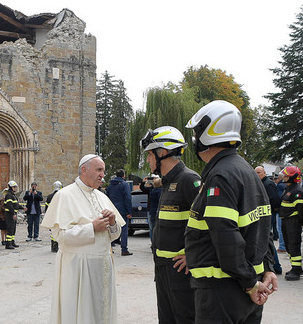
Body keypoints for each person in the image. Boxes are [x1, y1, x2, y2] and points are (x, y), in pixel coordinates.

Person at [184, 100, 277, 322]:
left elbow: (225, 235)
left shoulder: (220, 176)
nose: (195, 140)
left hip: (222, 290)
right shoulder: (245, 170)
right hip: (246, 284)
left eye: (197, 134)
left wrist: (249, 284)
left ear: (206, 134)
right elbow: (264, 226)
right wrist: (267, 269)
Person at [40, 154, 125, 324]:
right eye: (99, 170)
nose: (103, 175)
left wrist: (113, 222)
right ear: (84, 170)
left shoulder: (102, 197)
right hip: (78, 267)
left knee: (103, 311)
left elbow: (115, 235)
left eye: (104, 171)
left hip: (103, 265)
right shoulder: (65, 195)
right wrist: (91, 228)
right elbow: (61, 237)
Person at [141, 126, 201, 323]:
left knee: (184, 318)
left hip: (180, 272)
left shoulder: (190, 180)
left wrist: (192, 254)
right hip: (163, 267)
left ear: (162, 152)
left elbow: (208, 223)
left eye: (150, 154)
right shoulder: (168, 182)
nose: (148, 159)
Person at [279, 166, 303, 281]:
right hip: (286, 220)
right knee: (288, 244)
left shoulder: (297, 191)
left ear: (292, 177)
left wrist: (299, 223)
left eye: (286, 176)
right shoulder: (289, 188)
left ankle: (296, 271)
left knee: (294, 245)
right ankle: (296, 267)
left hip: (293, 221)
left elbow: (301, 211)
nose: (284, 177)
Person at [255, 166, 282, 275]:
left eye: (259, 172)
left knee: (266, 240)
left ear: (264, 173)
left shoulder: (268, 184)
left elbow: (274, 199)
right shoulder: (260, 183)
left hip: (267, 215)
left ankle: (276, 266)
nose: (257, 174)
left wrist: (270, 211)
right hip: (262, 215)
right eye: (255, 172)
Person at [107, 169, 132, 256]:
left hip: (112, 209)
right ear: (123, 176)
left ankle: (110, 247)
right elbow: (128, 198)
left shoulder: (110, 185)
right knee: (124, 229)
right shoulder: (124, 185)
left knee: (111, 227)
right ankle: (124, 249)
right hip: (122, 210)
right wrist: (129, 211)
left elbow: (107, 197)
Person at [3, 180, 23, 249]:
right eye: (14, 187)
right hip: (9, 214)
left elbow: (16, 205)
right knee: (10, 228)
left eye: (15, 187)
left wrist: (23, 208)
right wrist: (13, 213)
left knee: (13, 229)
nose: (15, 188)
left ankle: (12, 242)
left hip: (13, 214)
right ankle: (8, 244)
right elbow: (10, 206)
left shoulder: (13, 195)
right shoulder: (9, 195)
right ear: (10, 187)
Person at [45, 180, 62, 253]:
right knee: (60, 231)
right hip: (60, 216)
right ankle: (59, 247)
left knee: (53, 231)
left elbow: (46, 208)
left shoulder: (49, 197)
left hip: (52, 216)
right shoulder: (62, 196)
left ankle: (53, 247)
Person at [274, 173, 287, 253]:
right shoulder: (286, 185)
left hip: (280, 210)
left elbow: (279, 197)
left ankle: (282, 247)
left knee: (280, 229)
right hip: (287, 210)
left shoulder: (279, 186)